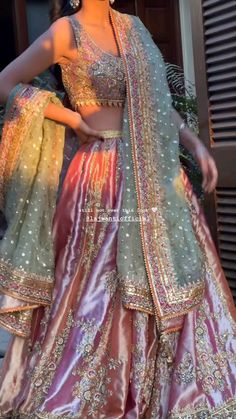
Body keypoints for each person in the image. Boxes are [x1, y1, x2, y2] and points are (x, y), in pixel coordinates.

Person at [0, 0, 235, 417]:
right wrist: (69, 119)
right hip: (100, 177)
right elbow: (5, 82)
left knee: (172, 273)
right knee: (97, 282)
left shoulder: (136, 29)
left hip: (154, 172)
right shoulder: (65, 32)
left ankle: (175, 387)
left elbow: (159, 104)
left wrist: (195, 143)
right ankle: (102, 386)